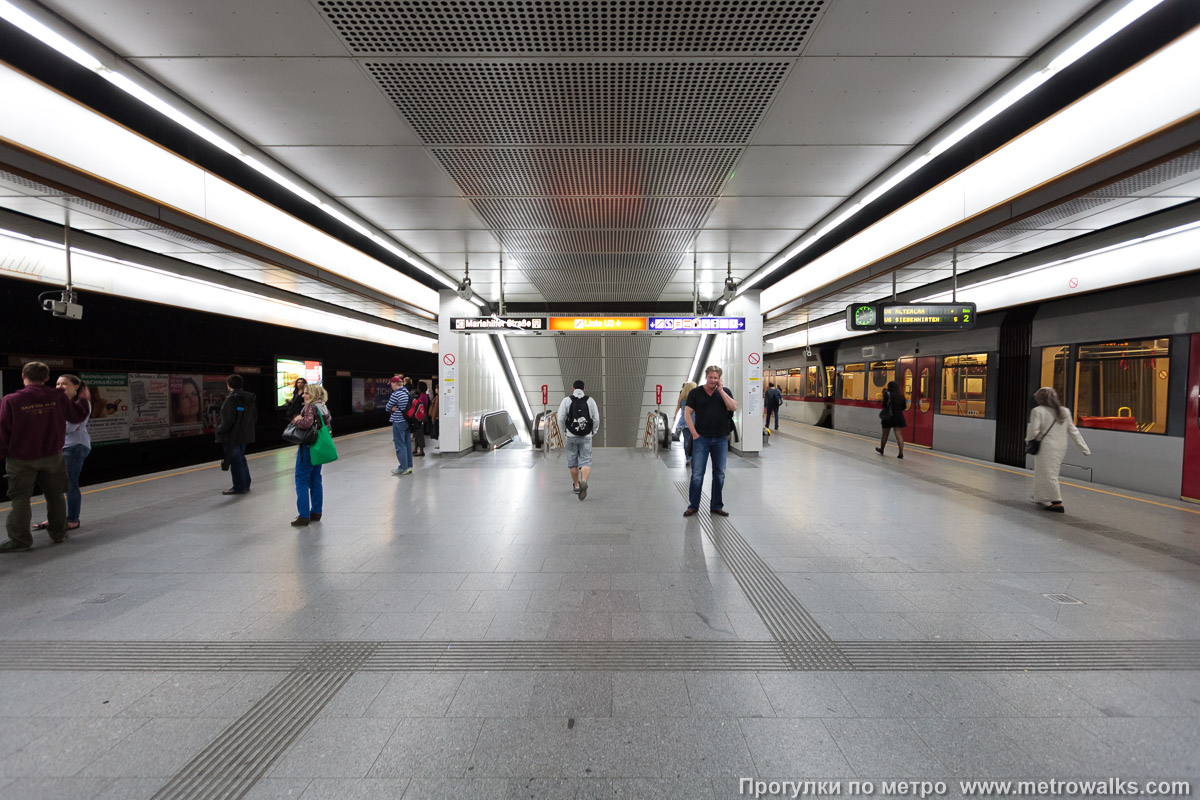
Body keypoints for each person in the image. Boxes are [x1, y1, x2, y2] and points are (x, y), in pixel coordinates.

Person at [0, 362, 91, 551]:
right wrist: (83, 400)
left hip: (21, 458)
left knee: (20, 499)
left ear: (23, 376)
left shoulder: (10, 400)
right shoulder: (57, 397)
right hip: (53, 456)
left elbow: (3, 430)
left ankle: (20, 541)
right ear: (47, 378)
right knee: (55, 495)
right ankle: (59, 533)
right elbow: (76, 416)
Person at [32, 375, 91, 534]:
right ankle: (55, 518)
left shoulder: (81, 404)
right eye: (57, 383)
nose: (59, 386)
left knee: (69, 483)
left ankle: (72, 519)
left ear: (76, 386)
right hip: (61, 447)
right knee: (53, 484)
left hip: (75, 447)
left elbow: (69, 427)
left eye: (64, 384)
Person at [683, 365, 738, 517]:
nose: (713, 380)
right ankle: (693, 506)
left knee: (719, 474)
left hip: (720, 439)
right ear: (706, 377)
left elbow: (733, 406)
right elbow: (687, 413)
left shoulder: (725, 391)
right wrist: (694, 434)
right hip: (701, 439)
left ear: (719, 379)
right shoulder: (696, 393)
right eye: (710, 377)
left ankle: (716, 506)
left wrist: (720, 390)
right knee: (697, 474)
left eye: (716, 378)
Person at [1026, 386, 1090, 513]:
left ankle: (1057, 502)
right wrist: (1084, 448)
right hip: (1060, 446)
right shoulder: (1064, 411)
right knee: (1043, 472)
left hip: (1046, 447)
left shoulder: (1038, 411)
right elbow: (1073, 431)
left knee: (1048, 473)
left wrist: (1029, 440)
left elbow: (1034, 430)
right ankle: (1040, 496)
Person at [291, 384, 331, 526]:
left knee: (301, 480)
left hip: (307, 447)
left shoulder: (310, 407)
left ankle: (303, 515)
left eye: (306, 393)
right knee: (315, 480)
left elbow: (307, 424)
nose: (303, 395)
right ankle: (316, 512)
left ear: (313, 394)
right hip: (318, 448)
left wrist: (297, 420)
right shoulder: (323, 406)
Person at [214, 374, 258, 495]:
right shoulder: (248, 398)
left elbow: (227, 420)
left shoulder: (231, 399)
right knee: (241, 459)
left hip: (232, 436)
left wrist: (219, 429)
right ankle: (246, 483)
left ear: (228, 385)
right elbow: (254, 417)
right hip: (244, 434)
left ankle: (239, 486)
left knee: (235, 461)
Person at [557, 379, 600, 500]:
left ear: (573, 388)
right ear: (584, 389)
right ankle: (584, 481)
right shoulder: (590, 401)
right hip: (586, 436)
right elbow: (596, 418)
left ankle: (576, 485)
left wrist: (565, 430)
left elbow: (560, 418)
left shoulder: (566, 400)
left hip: (571, 436)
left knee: (572, 462)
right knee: (586, 461)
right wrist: (593, 431)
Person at [385, 375, 413, 475]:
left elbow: (387, 407)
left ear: (395, 384)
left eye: (391, 384)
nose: (391, 386)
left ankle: (402, 467)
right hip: (407, 422)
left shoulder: (396, 394)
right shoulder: (407, 392)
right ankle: (409, 466)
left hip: (398, 422)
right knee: (407, 444)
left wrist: (393, 408)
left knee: (400, 445)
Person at [876, 380, 907, 458]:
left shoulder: (888, 395)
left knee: (885, 434)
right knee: (898, 434)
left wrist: (884, 395)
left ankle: (882, 449)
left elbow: (884, 405)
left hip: (888, 417)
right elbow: (904, 407)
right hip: (898, 416)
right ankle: (901, 453)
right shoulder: (901, 395)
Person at [673, 381, 697, 458]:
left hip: (684, 420)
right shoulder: (695, 396)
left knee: (686, 439)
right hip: (694, 420)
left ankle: (688, 457)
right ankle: (693, 456)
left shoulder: (682, 395)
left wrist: (675, 416)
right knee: (695, 439)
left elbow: (678, 407)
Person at [409, 381, 431, 457]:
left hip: (421, 416)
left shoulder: (423, 396)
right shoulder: (422, 395)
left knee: (420, 434)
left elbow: (418, 405)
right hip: (418, 416)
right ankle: (415, 448)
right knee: (416, 433)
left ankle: (421, 450)